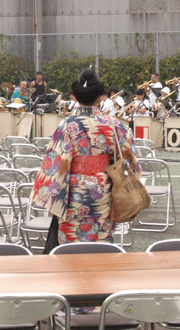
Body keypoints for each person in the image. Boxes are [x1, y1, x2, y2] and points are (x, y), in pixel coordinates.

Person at [32, 69, 140, 248]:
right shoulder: (114, 124)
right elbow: (129, 159)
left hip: (73, 193)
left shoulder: (67, 125)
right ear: (100, 98)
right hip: (103, 190)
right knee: (101, 243)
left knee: (71, 244)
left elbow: (54, 163)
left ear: (75, 97)